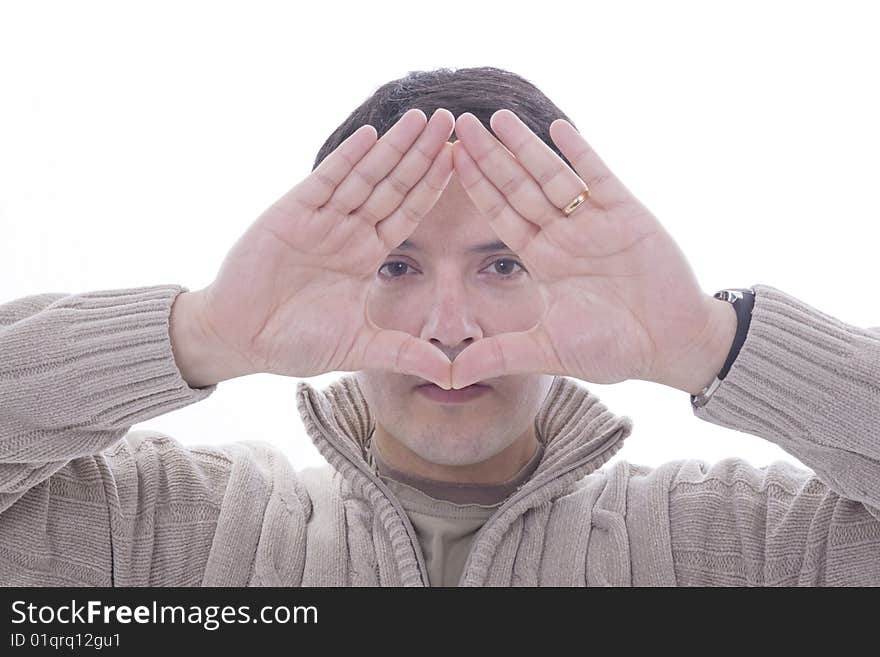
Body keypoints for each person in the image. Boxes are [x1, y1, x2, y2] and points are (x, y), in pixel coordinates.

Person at [1, 66, 878, 587]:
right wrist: (196, 334)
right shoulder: (164, 529)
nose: (450, 324)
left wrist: (712, 345)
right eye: (396, 264)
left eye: (503, 265)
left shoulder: (735, 544)